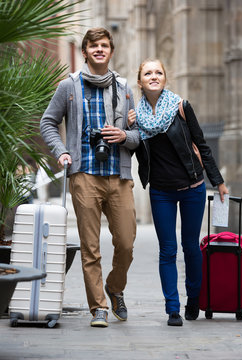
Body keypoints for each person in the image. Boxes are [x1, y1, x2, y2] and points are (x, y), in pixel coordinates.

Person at [40, 27, 140, 328]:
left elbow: (138, 136)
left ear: (111, 51)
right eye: (93, 45)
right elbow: (48, 122)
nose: (99, 50)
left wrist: (123, 134)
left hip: (118, 176)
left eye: (104, 45)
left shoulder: (123, 88)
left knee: (126, 242)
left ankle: (114, 286)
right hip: (84, 175)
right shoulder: (68, 87)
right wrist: (61, 151)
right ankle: (98, 308)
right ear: (85, 51)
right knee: (90, 246)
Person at [130, 59, 228, 326]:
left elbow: (202, 144)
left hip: (192, 188)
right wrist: (130, 127)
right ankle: (172, 308)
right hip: (161, 191)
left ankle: (193, 299)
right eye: (147, 73)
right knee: (167, 250)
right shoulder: (135, 117)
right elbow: (132, 148)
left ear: (165, 78)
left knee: (190, 247)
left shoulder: (181, 107)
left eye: (158, 72)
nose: (153, 76)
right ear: (140, 82)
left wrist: (217, 181)